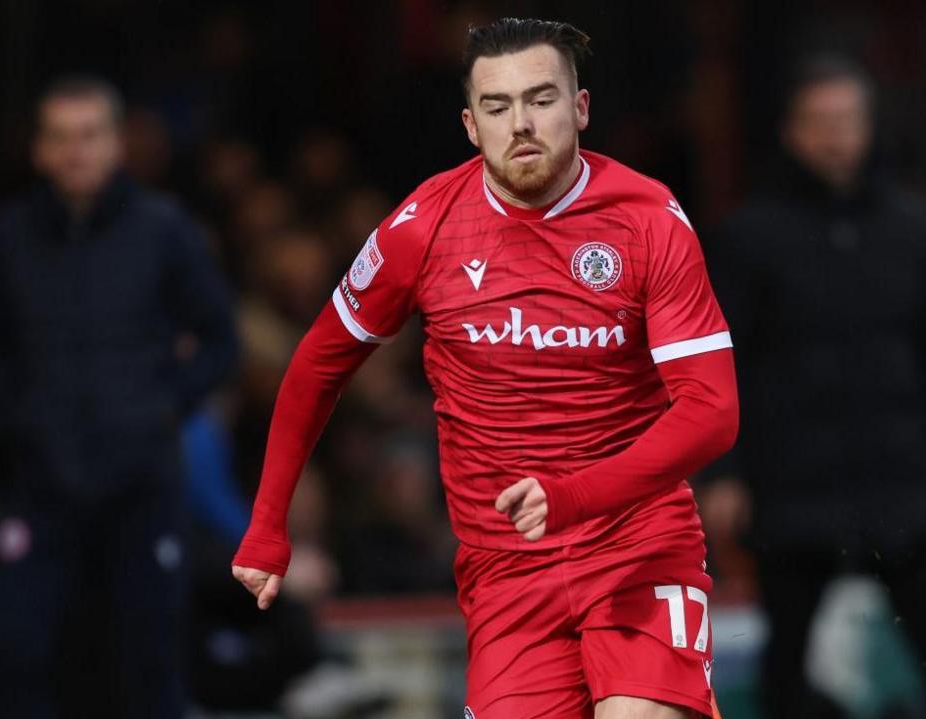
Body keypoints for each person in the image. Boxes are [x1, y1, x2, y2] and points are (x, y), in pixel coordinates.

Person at [232, 18, 738, 719]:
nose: (522, 123)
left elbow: (713, 412)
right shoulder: (424, 226)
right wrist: (268, 522)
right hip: (505, 570)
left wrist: (574, 495)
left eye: (541, 99)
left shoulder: (648, 219)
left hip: (636, 546)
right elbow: (319, 361)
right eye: (499, 108)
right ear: (471, 125)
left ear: (580, 108)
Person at [706, 57, 926, 718]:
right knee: (787, 657)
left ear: (868, 127)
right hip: (794, 482)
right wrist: (724, 470)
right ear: (791, 131)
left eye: (847, 120)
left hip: (902, 476)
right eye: (820, 122)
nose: (835, 137)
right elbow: (722, 361)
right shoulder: (751, 235)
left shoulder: (913, 227)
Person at [0, 75, 238, 718]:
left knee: (149, 660)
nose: (75, 152)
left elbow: (219, 339)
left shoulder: (163, 229)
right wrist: (21, 419)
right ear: (39, 149)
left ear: (117, 144)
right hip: (43, 487)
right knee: (19, 655)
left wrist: (161, 407)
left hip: (141, 486)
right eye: (60, 137)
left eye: (89, 135)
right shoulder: (9, 237)